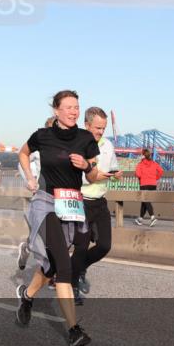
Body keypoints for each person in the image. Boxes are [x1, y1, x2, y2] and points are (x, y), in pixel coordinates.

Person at [16, 90, 99, 346]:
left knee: (51, 265)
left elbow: (94, 176)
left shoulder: (86, 138)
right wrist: (29, 178)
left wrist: (86, 166)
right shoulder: (43, 135)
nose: (74, 111)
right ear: (56, 110)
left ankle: (27, 296)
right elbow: (22, 153)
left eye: (77, 107)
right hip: (47, 204)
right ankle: (74, 330)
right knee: (63, 266)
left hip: (72, 205)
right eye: (69, 107)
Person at [70, 107, 120, 305]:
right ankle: (72, 287)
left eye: (103, 128)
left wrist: (116, 175)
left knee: (104, 246)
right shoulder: (77, 144)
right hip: (81, 201)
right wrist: (96, 175)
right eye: (98, 128)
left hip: (100, 202)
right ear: (87, 125)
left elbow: (112, 169)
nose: (101, 132)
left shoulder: (107, 145)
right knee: (81, 247)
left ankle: (80, 268)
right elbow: (83, 176)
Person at [17, 116, 54, 271]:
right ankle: (27, 248)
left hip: (61, 197)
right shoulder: (39, 148)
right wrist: (29, 179)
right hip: (41, 194)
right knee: (41, 237)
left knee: (58, 237)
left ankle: (53, 271)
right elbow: (22, 160)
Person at [135, 147, 163, 226]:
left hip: (144, 184)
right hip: (153, 185)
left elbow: (138, 174)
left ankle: (153, 217)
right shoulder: (154, 163)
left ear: (143, 155)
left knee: (146, 201)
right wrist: (156, 178)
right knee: (144, 202)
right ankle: (140, 219)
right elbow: (161, 171)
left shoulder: (140, 164)